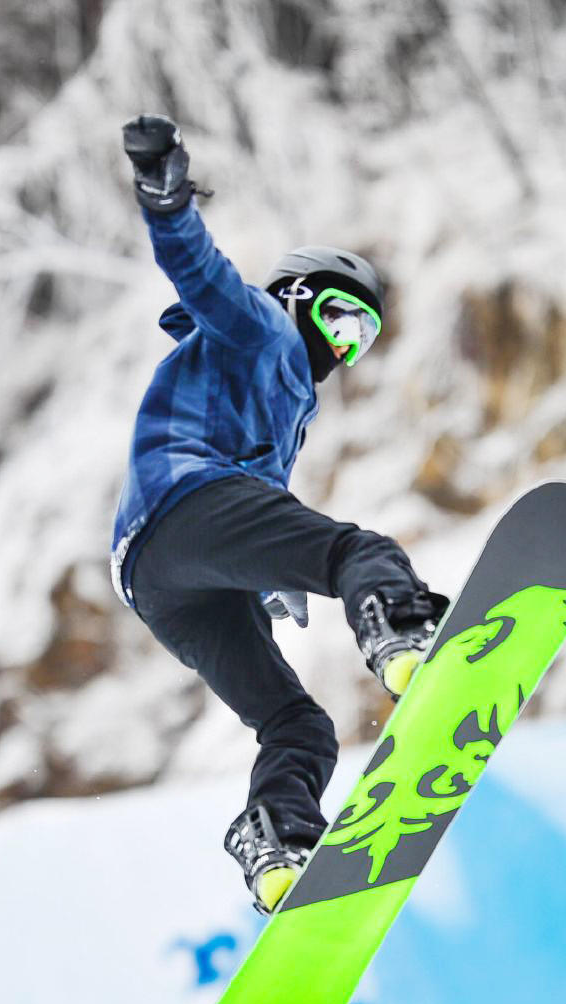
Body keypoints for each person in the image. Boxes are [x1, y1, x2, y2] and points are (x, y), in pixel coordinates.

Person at [107, 113, 449, 915]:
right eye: (341, 320)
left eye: (361, 340)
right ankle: (398, 635)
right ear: (298, 295)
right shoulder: (257, 326)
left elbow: (258, 489)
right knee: (359, 552)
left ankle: (277, 843)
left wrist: (265, 576)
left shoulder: (289, 401)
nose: (345, 347)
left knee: (297, 725)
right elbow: (199, 271)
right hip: (187, 502)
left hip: (159, 578)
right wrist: (166, 200)